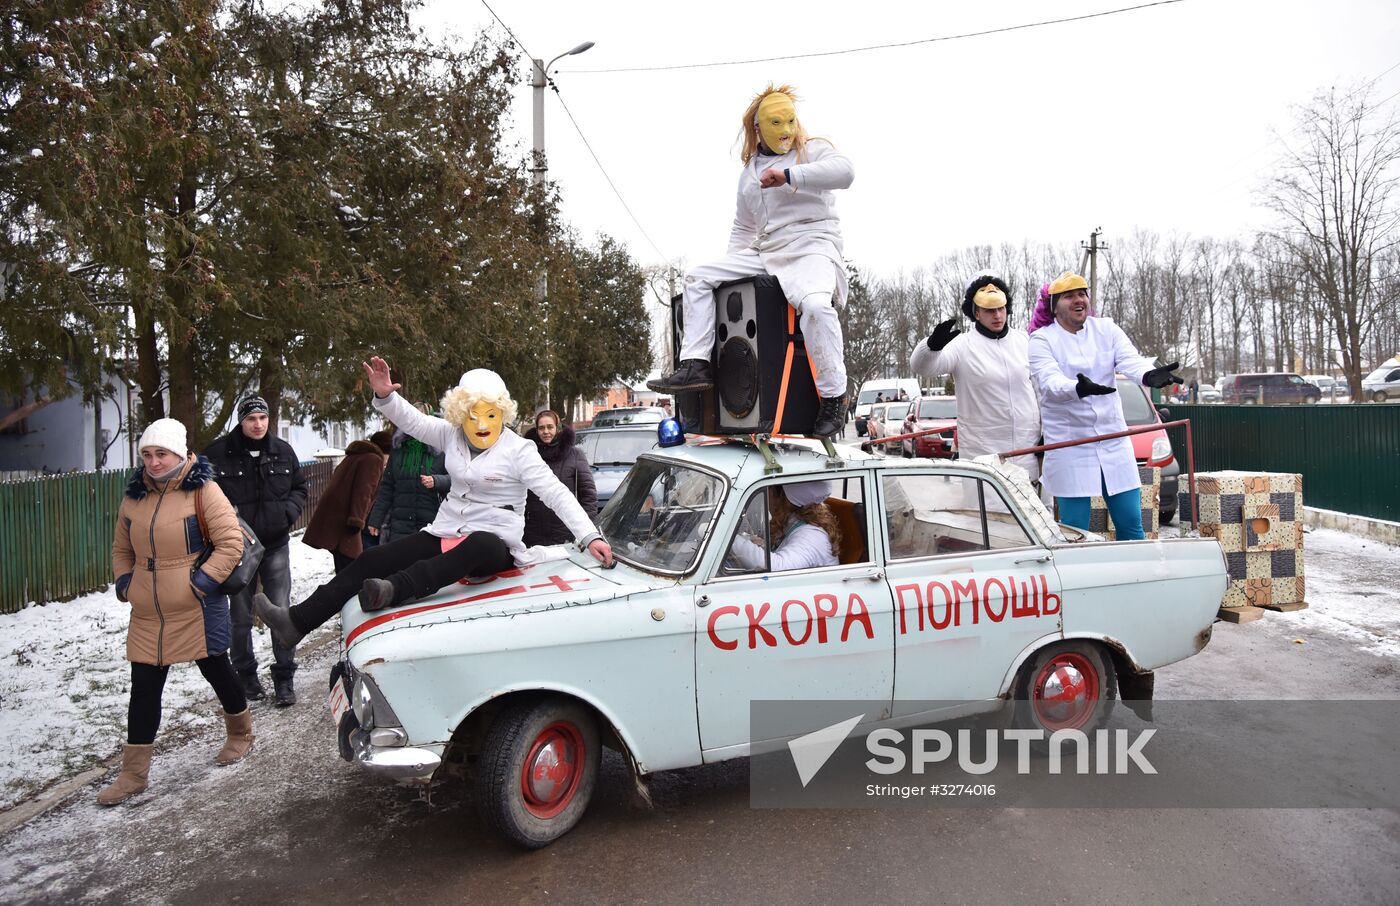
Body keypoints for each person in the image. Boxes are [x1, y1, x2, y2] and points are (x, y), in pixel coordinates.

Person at [254, 358, 615, 646]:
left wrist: (589, 536)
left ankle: (395, 589)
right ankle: (297, 622)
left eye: (489, 414)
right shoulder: (450, 435)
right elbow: (413, 420)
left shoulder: (520, 450)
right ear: (460, 414)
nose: (481, 423)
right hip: (447, 528)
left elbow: (556, 493)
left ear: (502, 413)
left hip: (494, 543)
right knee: (373, 558)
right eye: (472, 415)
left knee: (481, 543)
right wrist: (386, 396)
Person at [647, 84, 854, 438]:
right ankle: (696, 364)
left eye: (791, 121)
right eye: (777, 123)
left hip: (812, 246)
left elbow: (845, 173)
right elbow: (744, 227)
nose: (786, 131)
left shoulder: (813, 150)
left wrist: (789, 176)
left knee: (817, 307)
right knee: (699, 277)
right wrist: (732, 279)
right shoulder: (749, 172)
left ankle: (834, 397)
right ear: (758, 128)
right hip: (768, 251)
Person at [100, 418, 253, 806]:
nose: (152, 462)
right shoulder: (134, 496)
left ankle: (240, 734)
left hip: (197, 605)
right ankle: (133, 774)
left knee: (216, 668)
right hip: (148, 610)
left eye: (161, 454)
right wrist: (124, 584)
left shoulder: (203, 490)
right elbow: (122, 548)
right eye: (147, 454)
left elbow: (230, 543)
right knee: (144, 688)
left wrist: (200, 583)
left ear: (181, 454)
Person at [1028, 272, 1182, 539]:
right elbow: (1049, 380)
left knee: (1131, 522)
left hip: (1113, 441)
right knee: (1075, 529)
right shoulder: (1042, 340)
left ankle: (1134, 577)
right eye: (1069, 296)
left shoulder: (1106, 329)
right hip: (1070, 445)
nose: (1078, 300)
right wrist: (1077, 388)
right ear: (1054, 305)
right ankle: (1080, 578)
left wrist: (1148, 374)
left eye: (1082, 293)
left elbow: (1130, 360)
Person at [203, 396, 307, 707]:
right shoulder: (218, 454)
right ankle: (246, 676)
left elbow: (299, 487)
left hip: (275, 544)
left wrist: (287, 515)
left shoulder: (283, 452)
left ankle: (284, 678)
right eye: (252, 419)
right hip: (236, 549)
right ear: (241, 421)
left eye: (263, 418)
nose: (258, 424)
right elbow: (202, 496)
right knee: (240, 617)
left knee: (280, 611)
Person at [910, 275, 1043, 486]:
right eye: (990, 310)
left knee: (1030, 515)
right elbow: (923, 367)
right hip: (983, 457)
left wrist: (1045, 432)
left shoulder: (1023, 341)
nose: (998, 315)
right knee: (986, 515)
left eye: (1001, 308)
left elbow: (1039, 390)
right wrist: (931, 347)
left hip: (1027, 453)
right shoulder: (962, 345)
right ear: (977, 313)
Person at [302, 436, 389, 572]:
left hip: (336, 519)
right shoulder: (373, 460)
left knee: (344, 565)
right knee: (351, 568)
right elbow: (363, 492)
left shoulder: (355, 456)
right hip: (348, 522)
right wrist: (357, 520)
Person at [366, 417, 449, 546]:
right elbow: (387, 487)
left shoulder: (442, 451)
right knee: (401, 563)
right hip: (400, 525)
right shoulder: (398, 450)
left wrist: (437, 481)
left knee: (427, 564)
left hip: (432, 523)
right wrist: (375, 520)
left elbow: (457, 481)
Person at [727, 480, 841, 572]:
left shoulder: (812, 536)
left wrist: (728, 538)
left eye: (769, 491)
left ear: (780, 498)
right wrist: (762, 545)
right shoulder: (794, 521)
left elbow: (778, 567)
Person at [523, 409, 598, 547]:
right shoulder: (528, 456)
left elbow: (588, 496)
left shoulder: (575, 455)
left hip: (566, 532)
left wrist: (585, 532)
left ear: (557, 428)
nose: (546, 432)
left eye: (550, 427)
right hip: (532, 533)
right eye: (541, 428)